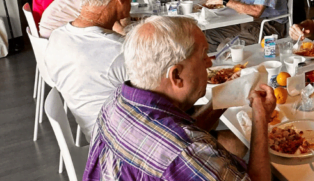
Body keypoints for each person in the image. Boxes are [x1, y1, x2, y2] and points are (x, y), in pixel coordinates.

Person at [84, 16, 275, 181]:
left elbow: (179, 132)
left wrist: (227, 95)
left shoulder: (117, 99)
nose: (209, 63)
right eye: (203, 56)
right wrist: (260, 117)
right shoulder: (186, 154)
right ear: (176, 75)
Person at [44, 0, 133, 139]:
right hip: (123, 146)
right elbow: (164, 103)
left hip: (95, 137)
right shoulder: (120, 51)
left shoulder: (57, 37)